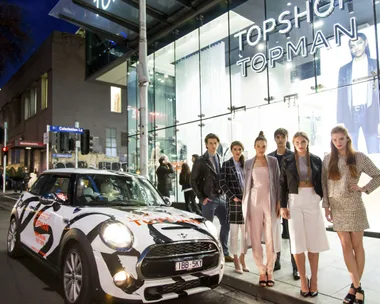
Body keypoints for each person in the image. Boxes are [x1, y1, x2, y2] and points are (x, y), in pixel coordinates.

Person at [322, 126, 380, 304]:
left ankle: (354, 288)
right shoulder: (327, 159)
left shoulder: (359, 157)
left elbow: (378, 175)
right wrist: (326, 207)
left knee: (357, 246)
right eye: (334, 140)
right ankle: (358, 287)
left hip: (354, 205)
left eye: (341, 139)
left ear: (347, 138)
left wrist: (364, 188)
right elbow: (324, 184)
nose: (338, 143)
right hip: (337, 207)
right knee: (345, 246)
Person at [280, 131, 329, 297]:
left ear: (307, 142)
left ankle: (314, 280)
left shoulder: (316, 160)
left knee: (313, 242)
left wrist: (319, 197)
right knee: (297, 242)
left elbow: (323, 181)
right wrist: (282, 206)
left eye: (303, 141)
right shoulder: (286, 160)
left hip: (312, 199)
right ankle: (303, 280)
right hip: (294, 201)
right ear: (293, 144)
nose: (300, 144)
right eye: (297, 142)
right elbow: (282, 184)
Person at [243, 131, 281, 287]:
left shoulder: (273, 161)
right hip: (254, 201)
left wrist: (279, 202)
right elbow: (246, 185)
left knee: (271, 236)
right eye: (258, 146)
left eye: (263, 146)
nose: (261, 148)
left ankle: (270, 270)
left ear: (266, 146)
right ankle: (261, 270)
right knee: (255, 237)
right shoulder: (248, 163)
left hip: (270, 200)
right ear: (254, 147)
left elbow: (278, 182)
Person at [191, 133, 233, 262]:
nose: (213, 145)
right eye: (210, 143)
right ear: (206, 144)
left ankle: (224, 252)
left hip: (221, 197)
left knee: (226, 223)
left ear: (218, 144)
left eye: (215, 143)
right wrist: (202, 197)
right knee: (207, 227)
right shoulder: (201, 161)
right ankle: (207, 252)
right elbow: (193, 180)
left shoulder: (220, 157)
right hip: (208, 198)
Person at [337, 33, 380, 153]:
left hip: (371, 111)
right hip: (351, 114)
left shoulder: (375, 64)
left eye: (359, 43)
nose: (356, 47)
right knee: (350, 153)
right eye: (352, 45)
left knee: (375, 150)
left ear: (366, 42)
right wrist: (340, 119)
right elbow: (341, 96)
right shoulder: (344, 69)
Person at [268, 128, 299, 280]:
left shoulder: (294, 156)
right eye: (277, 137)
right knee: (274, 233)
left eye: (283, 137)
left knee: (292, 234)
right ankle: (276, 261)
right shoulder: (269, 157)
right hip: (273, 200)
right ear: (275, 139)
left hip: (289, 200)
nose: (280, 139)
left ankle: (296, 266)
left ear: (287, 138)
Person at [220, 141, 249, 273]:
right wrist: (233, 197)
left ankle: (243, 258)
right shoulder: (226, 165)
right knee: (234, 233)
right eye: (235, 149)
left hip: (245, 202)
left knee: (245, 234)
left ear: (242, 150)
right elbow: (222, 183)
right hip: (234, 202)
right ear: (231, 150)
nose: (237, 151)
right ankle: (236, 259)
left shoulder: (246, 165)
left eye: (239, 149)